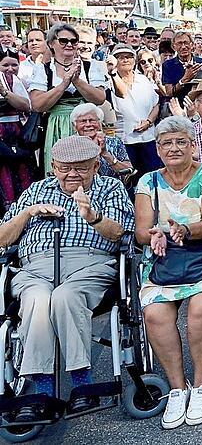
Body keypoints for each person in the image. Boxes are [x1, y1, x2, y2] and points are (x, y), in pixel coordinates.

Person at [0, 135, 133, 421]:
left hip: (89, 264)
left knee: (65, 297)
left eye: (81, 168)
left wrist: (92, 216)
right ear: (53, 167)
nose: (72, 174)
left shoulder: (110, 188)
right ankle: (41, 390)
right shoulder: (35, 191)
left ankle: (81, 384)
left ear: (96, 165)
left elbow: (120, 232)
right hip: (35, 267)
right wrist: (28, 213)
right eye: (65, 168)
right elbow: (2, 238)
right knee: (37, 300)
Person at [134, 116, 202, 429]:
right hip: (165, 258)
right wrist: (156, 234)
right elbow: (141, 232)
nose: (174, 147)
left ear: (193, 146)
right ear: (158, 149)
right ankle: (178, 387)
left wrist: (184, 229)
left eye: (181, 141)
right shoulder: (147, 182)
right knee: (154, 313)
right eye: (167, 143)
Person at [28, 24, 108, 174]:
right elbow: (37, 105)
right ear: (51, 43)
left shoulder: (90, 67)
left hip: (87, 125)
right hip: (56, 126)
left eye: (74, 41)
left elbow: (100, 98)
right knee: (61, 171)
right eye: (64, 40)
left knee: (89, 169)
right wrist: (64, 84)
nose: (69, 44)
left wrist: (77, 81)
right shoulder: (43, 69)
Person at [109, 44, 162, 176]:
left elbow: (156, 104)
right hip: (124, 140)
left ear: (134, 61)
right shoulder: (108, 82)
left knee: (152, 176)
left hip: (149, 139)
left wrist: (149, 122)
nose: (125, 60)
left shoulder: (143, 80)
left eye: (128, 57)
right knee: (129, 179)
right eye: (120, 57)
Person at [0, 55, 37, 211]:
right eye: (5, 65)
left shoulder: (15, 82)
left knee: (21, 169)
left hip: (15, 132)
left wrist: (4, 92)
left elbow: (25, 105)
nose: (10, 69)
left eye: (14, 65)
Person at [70, 103, 133, 181]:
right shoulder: (68, 144)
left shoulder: (114, 142)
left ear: (99, 123)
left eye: (92, 120)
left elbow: (129, 171)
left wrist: (105, 154)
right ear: (74, 126)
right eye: (83, 121)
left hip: (111, 188)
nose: (88, 124)